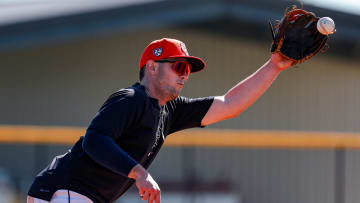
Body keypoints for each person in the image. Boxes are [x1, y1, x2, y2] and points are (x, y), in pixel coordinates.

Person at [27, 38, 293, 203]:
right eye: (178, 66)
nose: (185, 74)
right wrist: (139, 173)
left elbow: (230, 105)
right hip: (66, 189)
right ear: (152, 66)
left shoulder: (169, 110)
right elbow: (94, 140)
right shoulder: (131, 99)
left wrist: (274, 66)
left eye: (187, 69)